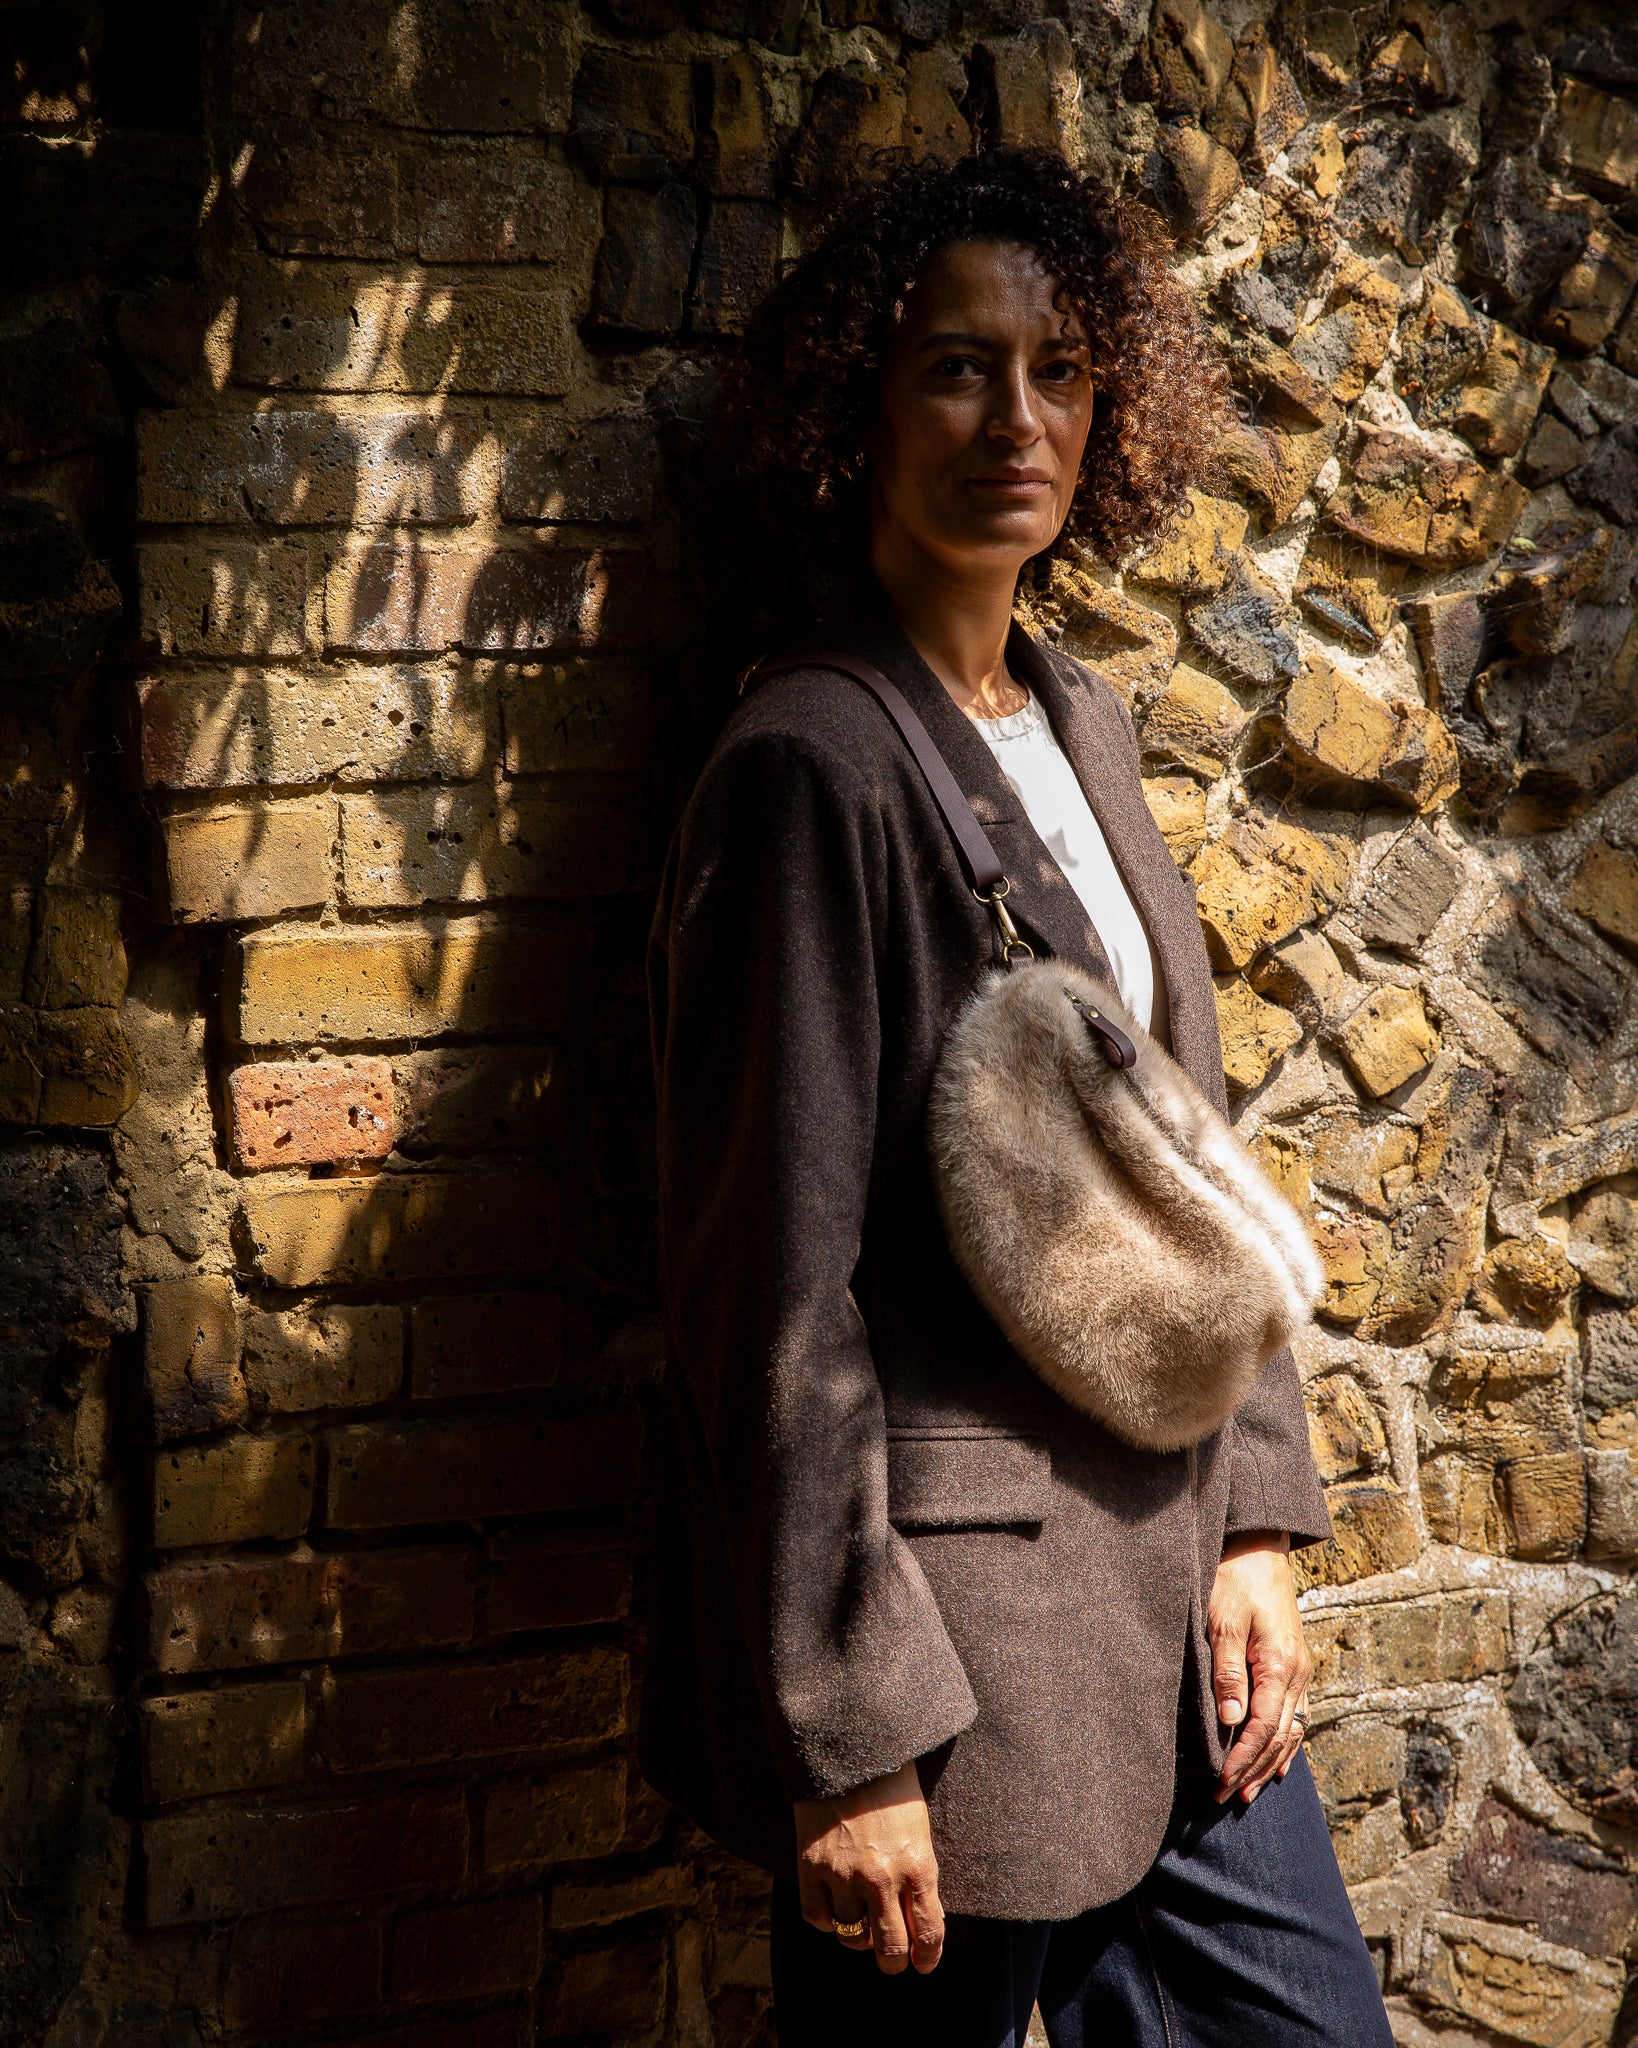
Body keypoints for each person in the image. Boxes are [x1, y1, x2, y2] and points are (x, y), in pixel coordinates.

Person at [643, 148, 1393, 2047]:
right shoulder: (811, 766)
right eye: (956, 370)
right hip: (958, 1662)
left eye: (1059, 371)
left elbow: (1176, 1164)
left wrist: (1253, 1518)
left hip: (1174, 1627)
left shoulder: (1080, 718)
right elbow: (767, 1296)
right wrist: (851, 1736)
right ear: (854, 410)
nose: (1018, 422)